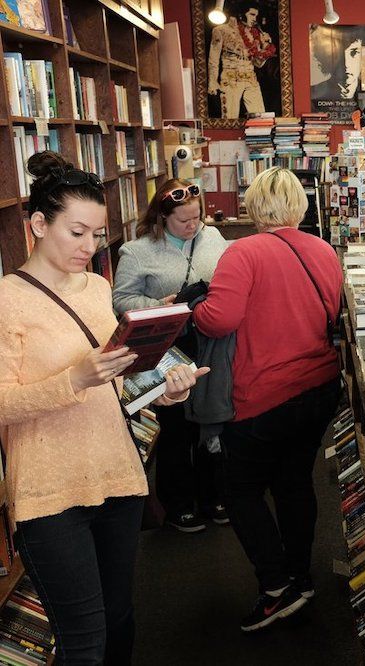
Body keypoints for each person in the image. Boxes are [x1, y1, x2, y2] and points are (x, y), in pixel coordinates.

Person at [0, 151, 205, 663]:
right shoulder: (7, 301)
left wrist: (166, 388)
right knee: (84, 643)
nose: (89, 247)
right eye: (77, 233)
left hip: (117, 477)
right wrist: (73, 379)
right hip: (50, 493)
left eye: (96, 234)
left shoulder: (97, 287)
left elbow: (119, 377)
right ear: (38, 224)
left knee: (119, 623)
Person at [192, 167, 343, 632]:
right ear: (300, 203)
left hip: (264, 394)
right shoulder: (323, 248)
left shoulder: (243, 252)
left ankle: (276, 586)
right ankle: (301, 576)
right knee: (294, 481)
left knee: (239, 489)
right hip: (318, 386)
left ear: (254, 205)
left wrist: (194, 306)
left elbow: (218, 320)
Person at [112, 179, 230, 533]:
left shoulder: (212, 237)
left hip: (210, 344)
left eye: (197, 217)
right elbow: (120, 300)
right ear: (163, 217)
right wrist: (157, 305)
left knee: (210, 422)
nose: (193, 226)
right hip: (168, 350)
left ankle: (213, 496)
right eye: (183, 220)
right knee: (175, 429)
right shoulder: (137, 251)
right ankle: (178, 503)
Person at [208, 2, 275, 119]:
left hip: (251, 79)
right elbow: (213, 58)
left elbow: (258, 64)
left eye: (256, 16)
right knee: (230, 118)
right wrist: (212, 81)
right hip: (231, 79)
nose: (255, 19)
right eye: (252, 14)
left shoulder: (254, 34)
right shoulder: (222, 30)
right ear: (241, 14)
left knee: (261, 118)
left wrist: (265, 47)